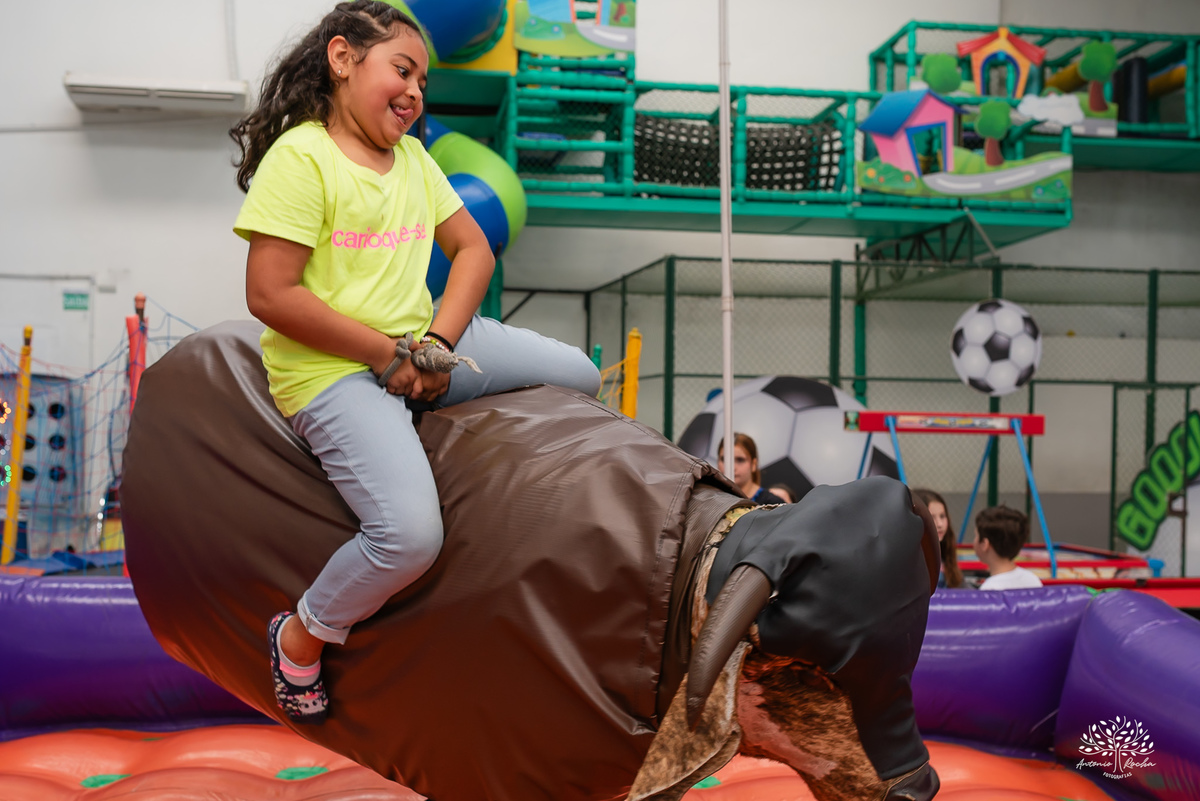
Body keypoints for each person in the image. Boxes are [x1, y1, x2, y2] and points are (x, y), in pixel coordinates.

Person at [229, 0, 601, 725]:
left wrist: (438, 344)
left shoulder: (414, 160)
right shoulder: (303, 158)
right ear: (343, 59)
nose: (415, 92)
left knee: (581, 375)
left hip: (419, 341)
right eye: (402, 71)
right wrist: (384, 356)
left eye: (424, 82)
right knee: (408, 538)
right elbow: (269, 294)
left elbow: (474, 250)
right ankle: (301, 634)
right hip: (334, 371)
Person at [973, 506, 1043, 590]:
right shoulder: (1032, 579)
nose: (974, 541)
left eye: (976, 535)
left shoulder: (989, 589)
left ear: (985, 544)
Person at [717, 433, 787, 505]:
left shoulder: (774, 504)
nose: (732, 467)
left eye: (740, 460)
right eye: (724, 459)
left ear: (753, 464)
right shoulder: (711, 499)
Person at [913, 488, 963, 588]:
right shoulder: (910, 562)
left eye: (942, 516)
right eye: (932, 517)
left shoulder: (946, 557)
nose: (939, 524)